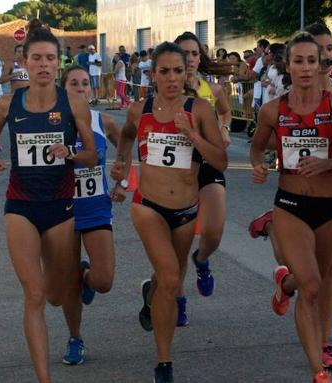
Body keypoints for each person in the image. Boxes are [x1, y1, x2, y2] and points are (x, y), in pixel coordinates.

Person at [0, 19, 97, 383]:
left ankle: (71, 275)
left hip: (61, 208)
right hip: (20, 206)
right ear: (25, 62)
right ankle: (44, 378)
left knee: (56, 296)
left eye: (50, 58)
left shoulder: (74, 104)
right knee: (33, 294)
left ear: (58, 63)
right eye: (37, 58)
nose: (44, 65)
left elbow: (92, 155)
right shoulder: (7, 103)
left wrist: (71, 153)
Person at [251, 32, 332, 383]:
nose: (305, 68)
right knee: (312, 285)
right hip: (290, 203)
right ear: (287, 66)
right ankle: (317, 369)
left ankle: (304, 312)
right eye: (298, 61)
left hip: (328, 204)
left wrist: (330, 165)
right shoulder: (272, 110)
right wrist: (258, 164)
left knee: (326, 272)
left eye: (311, 61)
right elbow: (257, 148)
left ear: (322, 65)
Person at [111, 42, 227, 383]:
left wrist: (191, 134)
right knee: (174, 281)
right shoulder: (139, 109)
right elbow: (127, 137)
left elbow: (219, 161)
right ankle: (164, 363)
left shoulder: (200, 108)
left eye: (178, 70)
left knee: (169, 280)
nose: (173, 78)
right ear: (153, 74)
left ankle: (152, 294)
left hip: (186, 210)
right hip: (148, 206)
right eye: (165, 71)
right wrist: (121, 166)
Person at [59, 65, 121, 365]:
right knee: (62, 287)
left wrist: (123, 182)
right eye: (73, 83)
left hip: (96, 208)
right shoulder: (51, 124)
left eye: (85, 83)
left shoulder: (103, 121)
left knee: (104, 281)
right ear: (62, 89)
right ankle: (75, 338)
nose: (81, 88)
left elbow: (127, 148)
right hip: (63, 213)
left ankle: (85, 276)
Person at [174, 31, 232, 326]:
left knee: (213, 233)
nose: (190, 59)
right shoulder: (166, 89)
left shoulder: (212, 89)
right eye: (183, 54)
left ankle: (203, 259)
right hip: (179, 168)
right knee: (177, 246)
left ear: (201, 57)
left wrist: (222, 129)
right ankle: (178, 301)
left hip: (208, 161)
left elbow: (225, 112)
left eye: (194, 54)